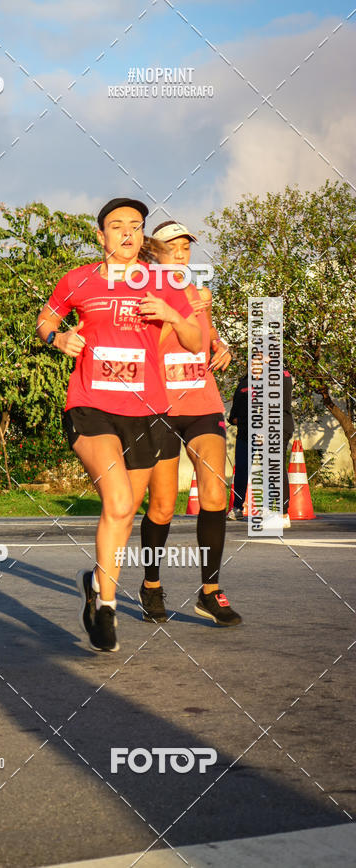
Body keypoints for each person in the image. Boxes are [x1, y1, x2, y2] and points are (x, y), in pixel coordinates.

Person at [37, 198, 201, 652]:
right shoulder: (79, 279)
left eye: (135, 225)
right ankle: (106, 606)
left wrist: (171, 315)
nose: (127, 233)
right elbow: (47, 319)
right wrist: (59, 337)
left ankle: (93, 584)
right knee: (119, 500)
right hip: (91, 405)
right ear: (101, 235)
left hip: (147, 410)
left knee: (126, 511)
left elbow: (196, 341)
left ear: (142, 234)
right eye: (117, 226)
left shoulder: (163, 281)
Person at [135, 221, 242, 627]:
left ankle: (210, 592)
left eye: (186, 248)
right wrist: (178, 315)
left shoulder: (199, 294)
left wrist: (221, 346)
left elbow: (204, 338)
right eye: (172, 247)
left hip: (202, 401)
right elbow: (149, 350)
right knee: (162, 506)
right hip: (160, 407)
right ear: (153, 253)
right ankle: (151, 586)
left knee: (215, 495)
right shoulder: (141, 295)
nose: (181, 254)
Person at [229, 355, 294, 527]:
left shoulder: (280, 376)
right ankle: (246, 507)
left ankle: (282, 513)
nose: (257, 366)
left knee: (275, 468)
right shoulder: (244, 384)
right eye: (253, 363)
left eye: (262, 361)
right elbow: (234, 415)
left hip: (276, 429)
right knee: (244, 468)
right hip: (248, 434)